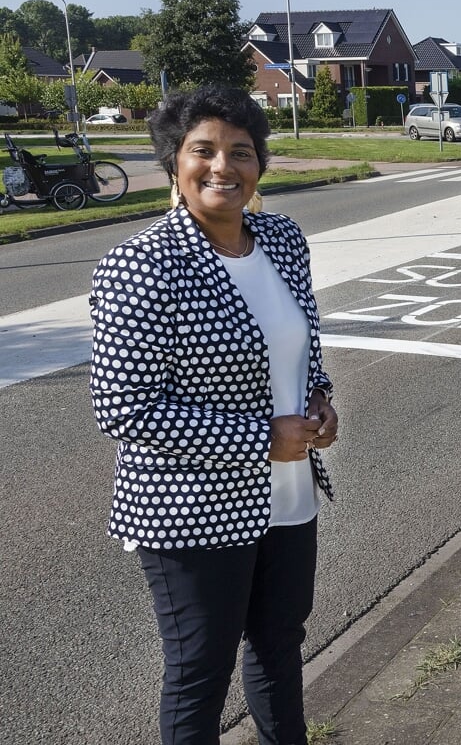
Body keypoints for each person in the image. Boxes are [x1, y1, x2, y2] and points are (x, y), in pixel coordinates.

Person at [89, 85, 340, 745]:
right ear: (174, 161)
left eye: (241, 151)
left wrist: (320, 397)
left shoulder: (282, 239)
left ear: (259, 165)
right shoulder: (139, 267)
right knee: (200, 669)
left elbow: (301, 339)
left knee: (280, 645)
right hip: (190, 505)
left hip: (287, 496)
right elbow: (124, 408)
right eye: (203, 150)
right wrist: (263, 437)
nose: (222, 166)